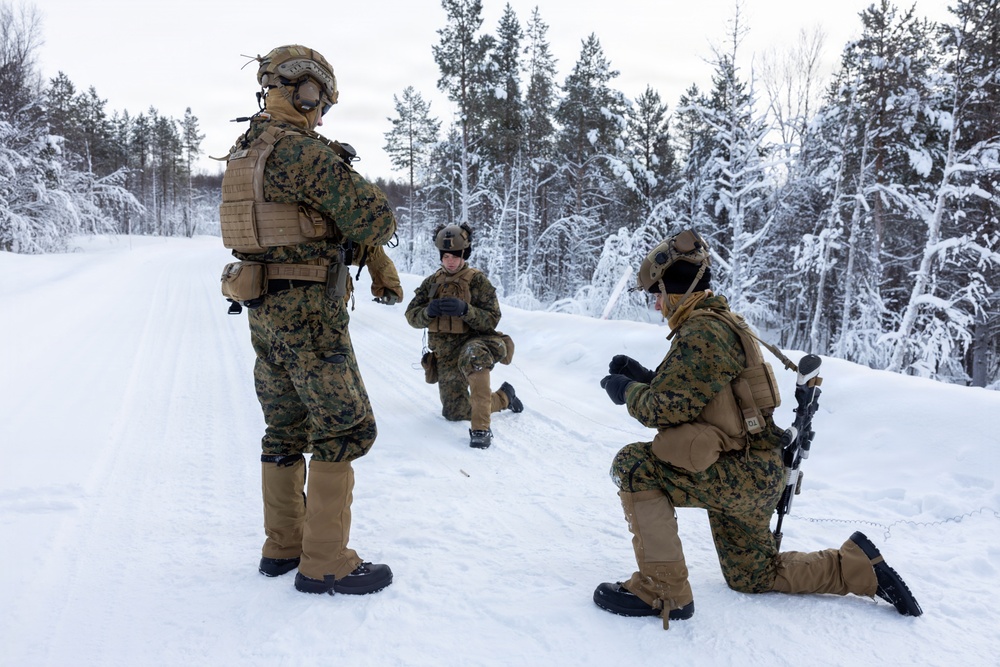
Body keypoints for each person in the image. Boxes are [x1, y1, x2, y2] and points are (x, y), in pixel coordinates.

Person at [594, 229, 923, 629]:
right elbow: (703, 396)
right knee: (753, 576)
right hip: (756, 473)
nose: (658, 304)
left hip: (734, 474)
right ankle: (857, 569)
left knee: (634, 464)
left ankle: (662, 591)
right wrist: (644, 377)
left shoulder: (702, 331)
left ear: (679, 290)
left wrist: (627, 390)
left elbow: (666, 406)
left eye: (659, 294)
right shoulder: (724, 323)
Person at [218, 44, 395, 596]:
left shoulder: (245, 151)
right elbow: (376, 217)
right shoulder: (303, 154)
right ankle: (325, 562)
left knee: (284, 427)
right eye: (321, 103)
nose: (321, 115)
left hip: (264, 310)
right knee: (345, 427)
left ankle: (283, 546)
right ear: (306, 90)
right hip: (311, 313)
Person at [404, 223, 523, 448]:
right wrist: (428, 312)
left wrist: (465, 310)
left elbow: (492, 318)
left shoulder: (477, 281)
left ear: (464, 255)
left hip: (477, 342)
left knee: (473, 355)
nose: (451, 261)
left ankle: (481, 430)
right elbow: (411, 316)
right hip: (447, 354)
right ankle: (505, 396)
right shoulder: (432, 283)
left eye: (456, 256)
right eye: (446, 256)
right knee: (455, 412)